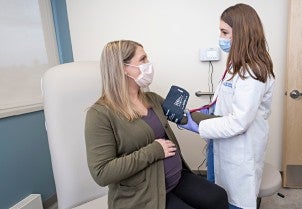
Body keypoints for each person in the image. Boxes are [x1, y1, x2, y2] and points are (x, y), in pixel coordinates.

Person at [84, 40, 228, 209]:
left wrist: (227, 121)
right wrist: (154, 151)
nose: (148, 64)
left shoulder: (151, 99)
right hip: (143, 192)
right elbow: (102, 173)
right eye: (143, 59)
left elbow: (187, 117)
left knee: (217, 197)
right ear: (122, 68)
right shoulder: (100, 115)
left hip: (175, 178)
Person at [180, 4, 275, 209]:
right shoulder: (236, 65)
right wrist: (207, 112)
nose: (220, 37)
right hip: (222, 142)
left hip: (240, 149)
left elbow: (239, 122)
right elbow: (227, 103)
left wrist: (198, 127)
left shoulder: (253, 72)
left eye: (224, 32)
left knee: (236, 200)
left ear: (241, 33)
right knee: (219, 195)